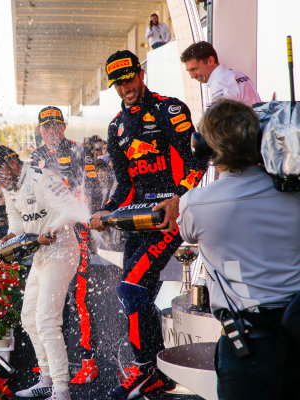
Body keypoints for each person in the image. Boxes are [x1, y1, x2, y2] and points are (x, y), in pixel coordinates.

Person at [89, 50, 205, 399]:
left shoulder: (169, 109)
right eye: (118, 82)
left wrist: (177, 199)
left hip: (169, 217)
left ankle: (143, 371)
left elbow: (197, 162)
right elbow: (124, 188)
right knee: (137, 296)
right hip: (136, 221)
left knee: (130, 289)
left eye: (129, 78)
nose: (126, 87)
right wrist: (104, 211)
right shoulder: (115, 126)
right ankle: (156, 372)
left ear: (141, 73)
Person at [176, 98, 300, 399]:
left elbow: (188, 227)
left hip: (247, 348)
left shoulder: (196, 204)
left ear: (205, 147)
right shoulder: (294, 195)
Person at [0, 145, 81, 400]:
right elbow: (15, 220)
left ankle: (62, 389)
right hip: (40, 253)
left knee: (47, 321)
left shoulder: (42, 177)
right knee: (28, 318)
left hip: (62, 250)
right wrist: (10, 238)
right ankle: (47, 378)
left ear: (13, 163)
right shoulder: (10, 187)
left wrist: (54, 231)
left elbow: (72, 208)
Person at [30, 106, 106, 385]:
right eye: (46, 126)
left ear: (63, 126)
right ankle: (51, 362)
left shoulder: (78, 149)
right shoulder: (36, 156)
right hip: (51, 234)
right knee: (50, 301)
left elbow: (93, 191)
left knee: (81, 297)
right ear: (40, 129)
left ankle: (89, 362)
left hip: (77, 230)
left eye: (56, 125)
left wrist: (82, 217)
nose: (52, 130)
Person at [180, 41, 261, 106]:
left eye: (194, 69)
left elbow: (222, 121)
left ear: (210, 61)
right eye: (189, 71)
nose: (192, 76)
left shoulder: (219, 84)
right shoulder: (237, 74)